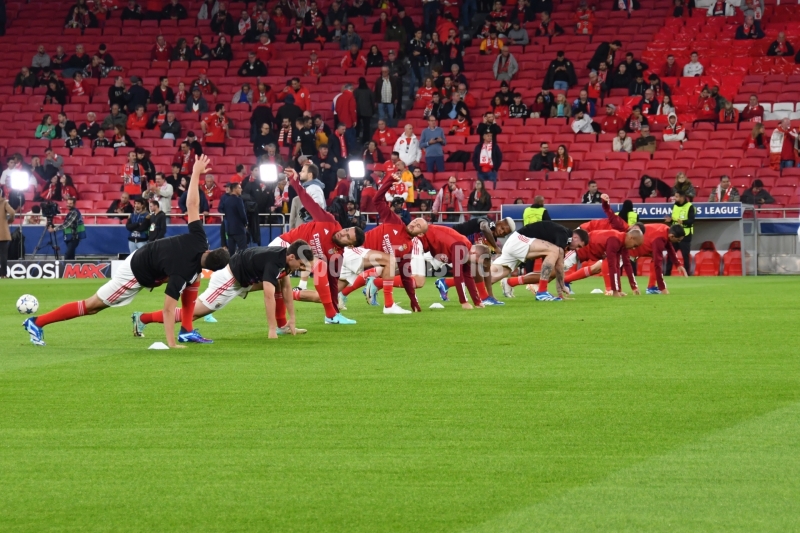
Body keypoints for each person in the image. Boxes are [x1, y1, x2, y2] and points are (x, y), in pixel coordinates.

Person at [24, 155, 229, 347]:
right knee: (92, 306)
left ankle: (186, 329)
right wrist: (171, 345)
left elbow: (192, 204)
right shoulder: (184, 270)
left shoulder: (199, 239)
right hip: (135, 273)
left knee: (194, 279)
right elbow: (168, 308)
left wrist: (195, 172)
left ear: (210, 250)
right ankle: (37, 322)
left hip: (149, 257)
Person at [137, 240, 313, 339]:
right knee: (195, 313)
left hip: (244, 278)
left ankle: (284, 325)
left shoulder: (285, 261)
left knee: (280, 283)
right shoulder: (275, 262)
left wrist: (293, 320)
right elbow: (268, 297)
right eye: (301, 263)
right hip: (229, 279)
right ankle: (143, 318)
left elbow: (287, 289)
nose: (302, 267)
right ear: (291, 256)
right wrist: (271, 330)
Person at [271, 165, 363, 325]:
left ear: (350, 245)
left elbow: (333, 285)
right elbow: (308, 201)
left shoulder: (336, 255)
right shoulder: (328, 221)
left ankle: (329, 316)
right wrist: (295, 181)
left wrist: (336, 309)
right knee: (250, 283)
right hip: (285, 244)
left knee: (281, 285)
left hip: (296, 259)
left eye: (348, 236)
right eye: (347, 229)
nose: (344, 232)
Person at [339, 176, 426, 313]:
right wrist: (390, 181)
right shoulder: (395, 221)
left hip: (364, 260)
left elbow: (406, 277)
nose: (414, 224)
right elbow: (377, 200)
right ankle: (388, 304)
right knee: (388, 263)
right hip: (355, 250)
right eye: (415, 222)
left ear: (420, 234)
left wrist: (413, 301)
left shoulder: (407, 248)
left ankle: (332, 301)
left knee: (328, 292)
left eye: (418, 226)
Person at [490, 221, 586, 301]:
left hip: (515, 244)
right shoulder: (564, 235)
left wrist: (560, 294)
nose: (577, 249)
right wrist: (562, 288)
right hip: (519, 240)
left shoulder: (563, 236)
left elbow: (558, 266)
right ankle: (542, 292)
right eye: (579, 246)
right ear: (575, 238)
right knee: (554, 250)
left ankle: (482, 295)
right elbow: (559, 264)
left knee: (491, 277)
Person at [665, 191, 694, 275]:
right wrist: (670, 220)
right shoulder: (675, 206)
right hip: (674, 235)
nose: (675, 198)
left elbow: (691, 221)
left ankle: (686, 274)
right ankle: (667, 274)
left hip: (685, 235)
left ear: (682, 197)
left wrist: (683, 222)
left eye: (677, 197)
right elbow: (675, 220)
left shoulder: (690, 206)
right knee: (670, 254)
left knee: (685, 256)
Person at [219, 181, 249, 254]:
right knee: (243, 252)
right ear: (235, 189)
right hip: (239, 230)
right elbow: (242, 214)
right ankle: (243, 265)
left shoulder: (226, 201)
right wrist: (246, 223)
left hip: (229, 230)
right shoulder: (238, 200)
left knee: (231, 252)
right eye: (239, 188)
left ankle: (231, 265)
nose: (241, 189)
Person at [0, 188, 15, 278]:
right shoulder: (4, 202)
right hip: (3, 234)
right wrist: (8, 222)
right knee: (3, 255)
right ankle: (3, 274)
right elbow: (12, 212)